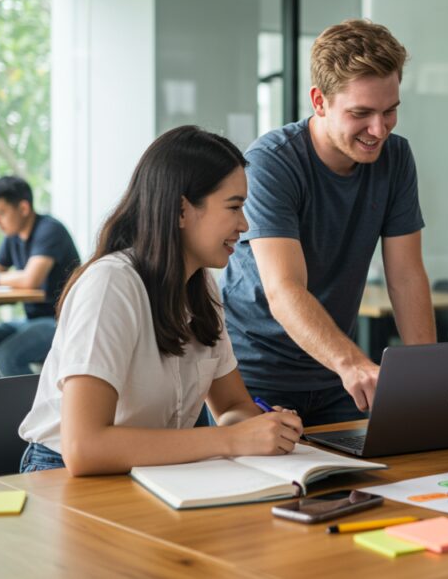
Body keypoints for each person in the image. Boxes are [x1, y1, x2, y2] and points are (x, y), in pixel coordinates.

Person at [18, 126, 303, 475]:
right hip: (62, 475)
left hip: (157, 471)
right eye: (234, 207)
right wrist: (230, 440)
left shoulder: (201, 287)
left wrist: (260, 427)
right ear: (182, 210)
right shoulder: (112, 285)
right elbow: (83, 448)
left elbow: (231, 405)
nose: (244, 224)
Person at [221, 19, 436, 427]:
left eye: (390, 112)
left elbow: (407, 276)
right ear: (319, 102)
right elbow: (284, 290)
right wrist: (353, 364)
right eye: (361, 113)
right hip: (254, 376)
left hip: (336, 376)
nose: (379, 129)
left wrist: (426, 379)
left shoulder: (396, 158)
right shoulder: (271, 162)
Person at [0, 176, 80, 380]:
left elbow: (31, 279)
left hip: (61, 322)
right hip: (32, 320)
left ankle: (28, 411)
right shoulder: (13, 236)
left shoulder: (50, 230)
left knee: (8, 355)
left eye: (1, 213)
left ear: (24, 208)